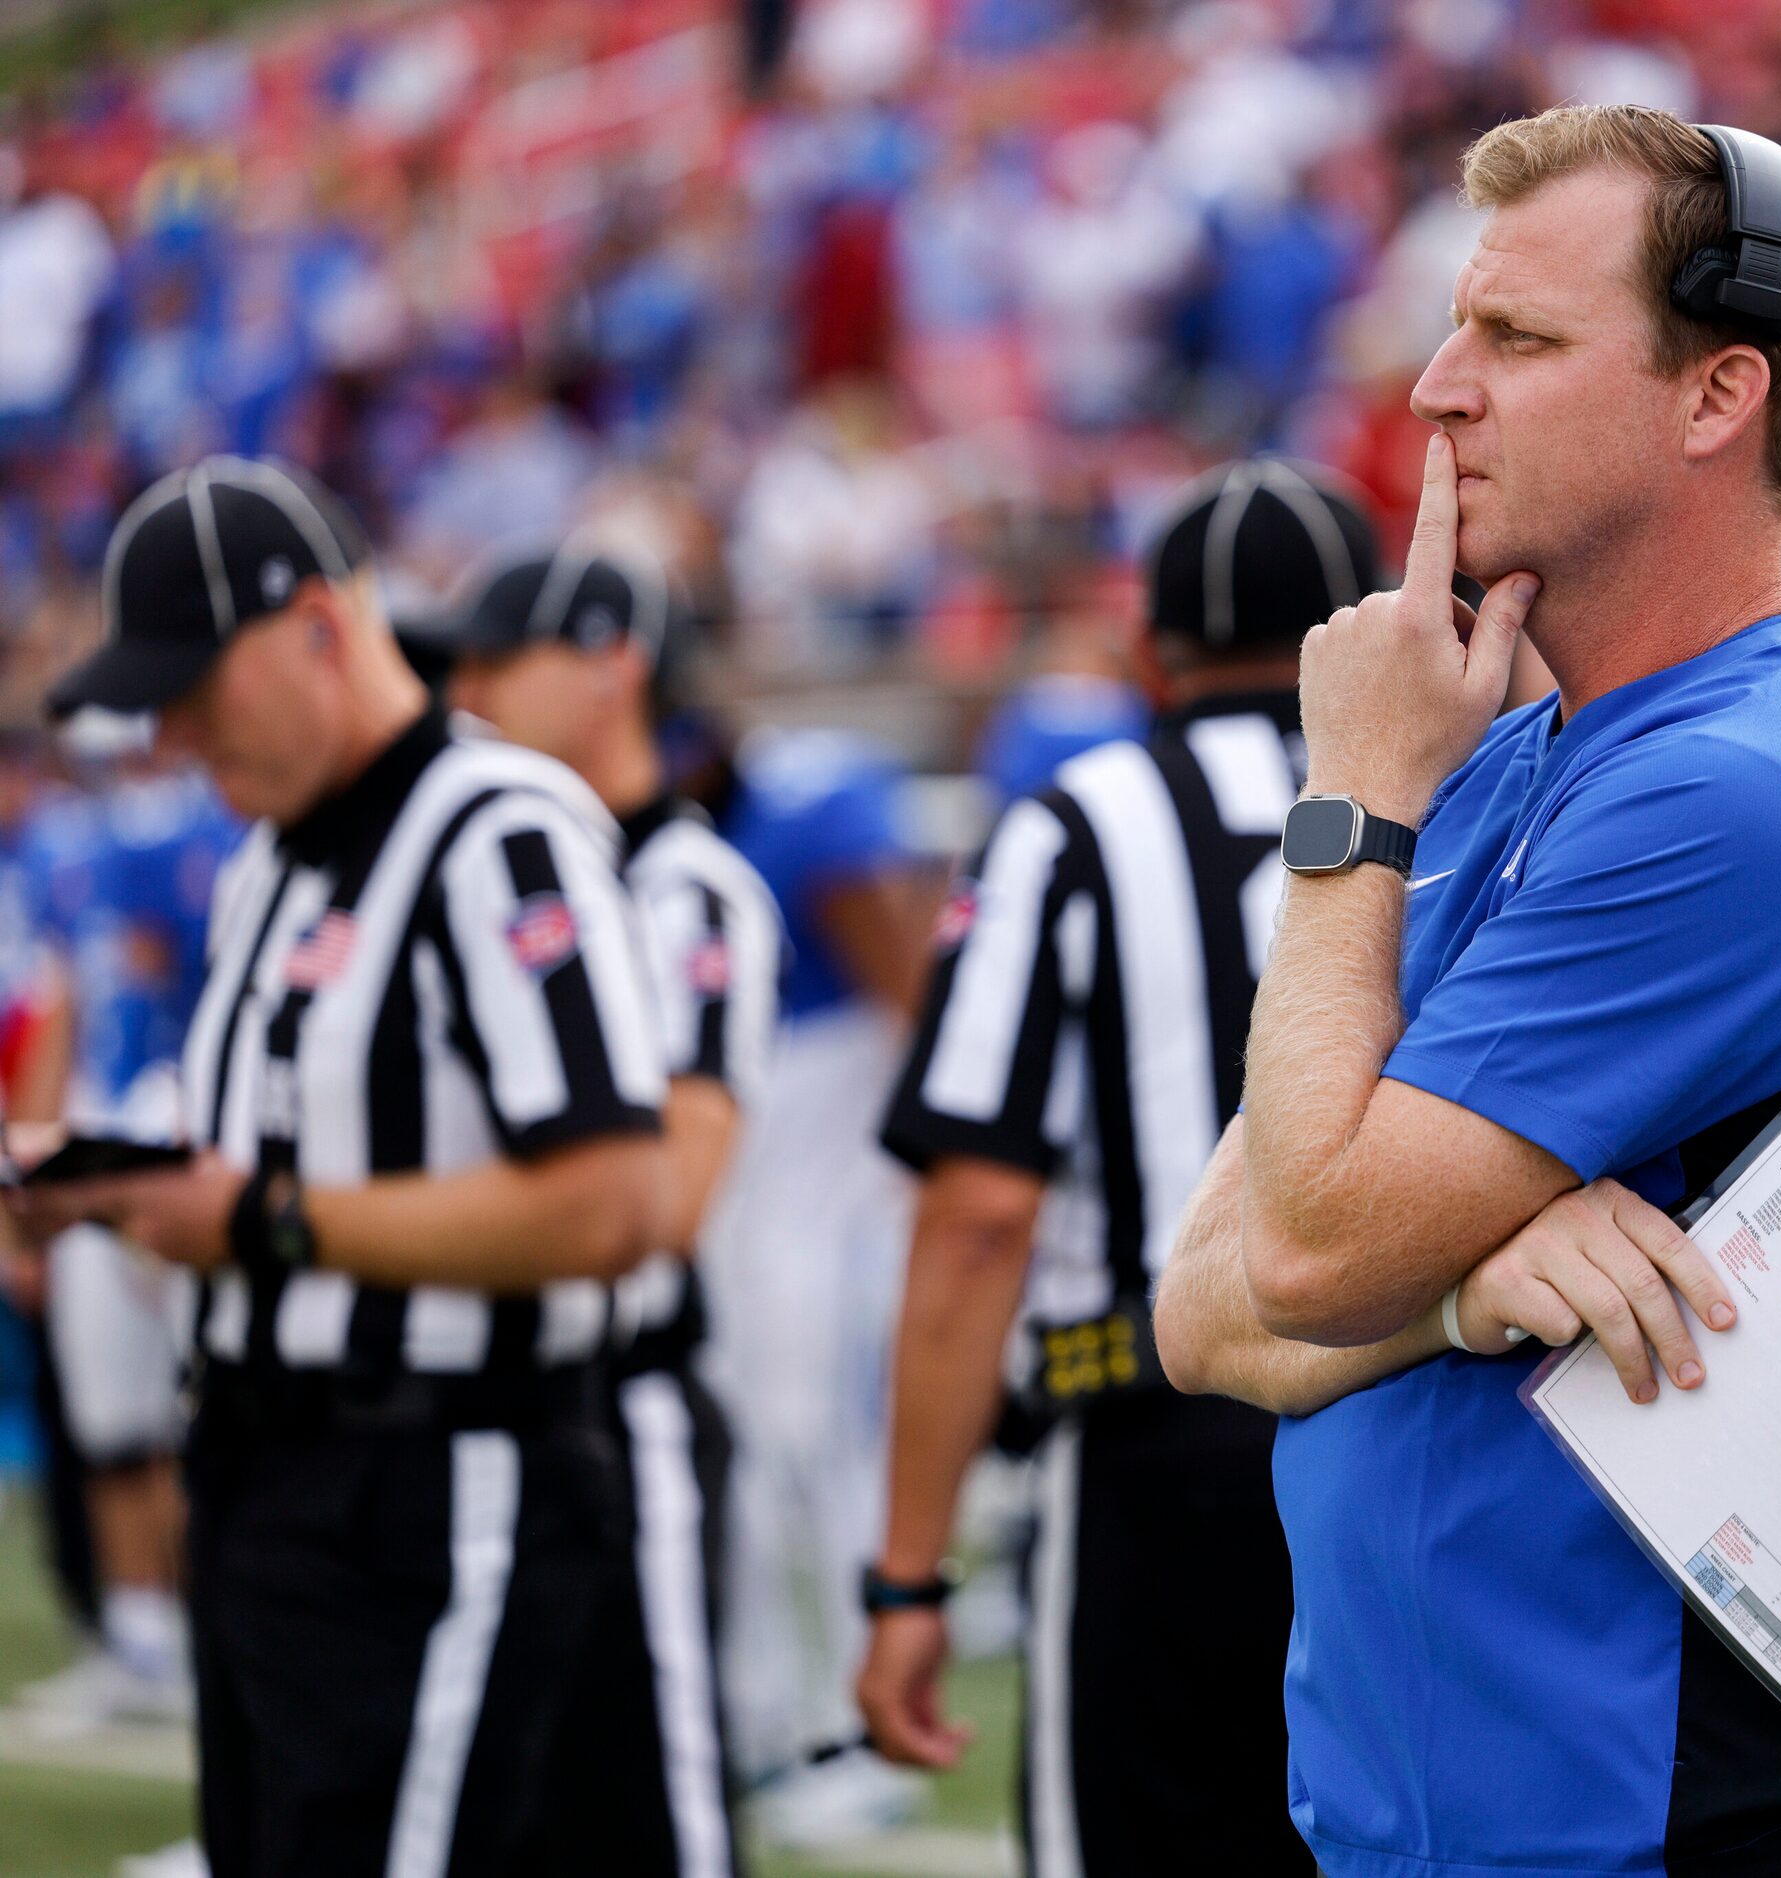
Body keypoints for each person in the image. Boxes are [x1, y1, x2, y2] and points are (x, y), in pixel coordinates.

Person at [1153, 105, 1781, 1878]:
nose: (1434, 392)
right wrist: (1462, 1291)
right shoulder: (1505, 752)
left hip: (1696, 1831)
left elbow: (1298, 1261)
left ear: (1718, 395)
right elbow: (1197, 1309)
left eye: (1519, 339)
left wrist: (1349, 808)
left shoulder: (1743, 786)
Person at [24, 455, 670, 1876]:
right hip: (269, 1475)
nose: (181, 734)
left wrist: (261, 1219)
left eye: (201, 685)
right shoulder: (269, 865)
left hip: (436, 1480)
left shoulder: (498, 829)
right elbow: (259, 1166)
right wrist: (107, 1184)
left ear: (319, 622)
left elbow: (617, 1199)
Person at [858, 457, 1377, 1878]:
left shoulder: (1075, 826)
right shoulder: (1477, 799)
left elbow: (977, 1212)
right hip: (1420, 1430)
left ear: (1150, 649)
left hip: (1158, 1445)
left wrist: (909, 1572)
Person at [443, 537, 786, 1878]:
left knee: (649, 1816)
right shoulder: (478, 866)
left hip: (617, 1402)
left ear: (611, 669)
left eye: (492, 660)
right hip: (473, 1408)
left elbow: (664, 1203)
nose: (460, 693)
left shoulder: (688, 892)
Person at [694, 706, 928, 1833]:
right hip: (750, 1191)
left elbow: (897, 969)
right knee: (745, 1443)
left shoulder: (802, 809)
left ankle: (861, 1725)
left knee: (821, 1443)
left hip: (813, 1187)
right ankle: (765, 1712)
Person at [11, 720, 239, 1736]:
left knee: (197, 1410)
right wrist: (32, 1151)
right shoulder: (65, 846)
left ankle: (203, 1639)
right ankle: (140, 1636)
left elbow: (180, 985)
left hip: (179, 1123)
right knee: (110, 1413)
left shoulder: (212, 831)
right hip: (106, 1121)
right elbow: (68, 997)